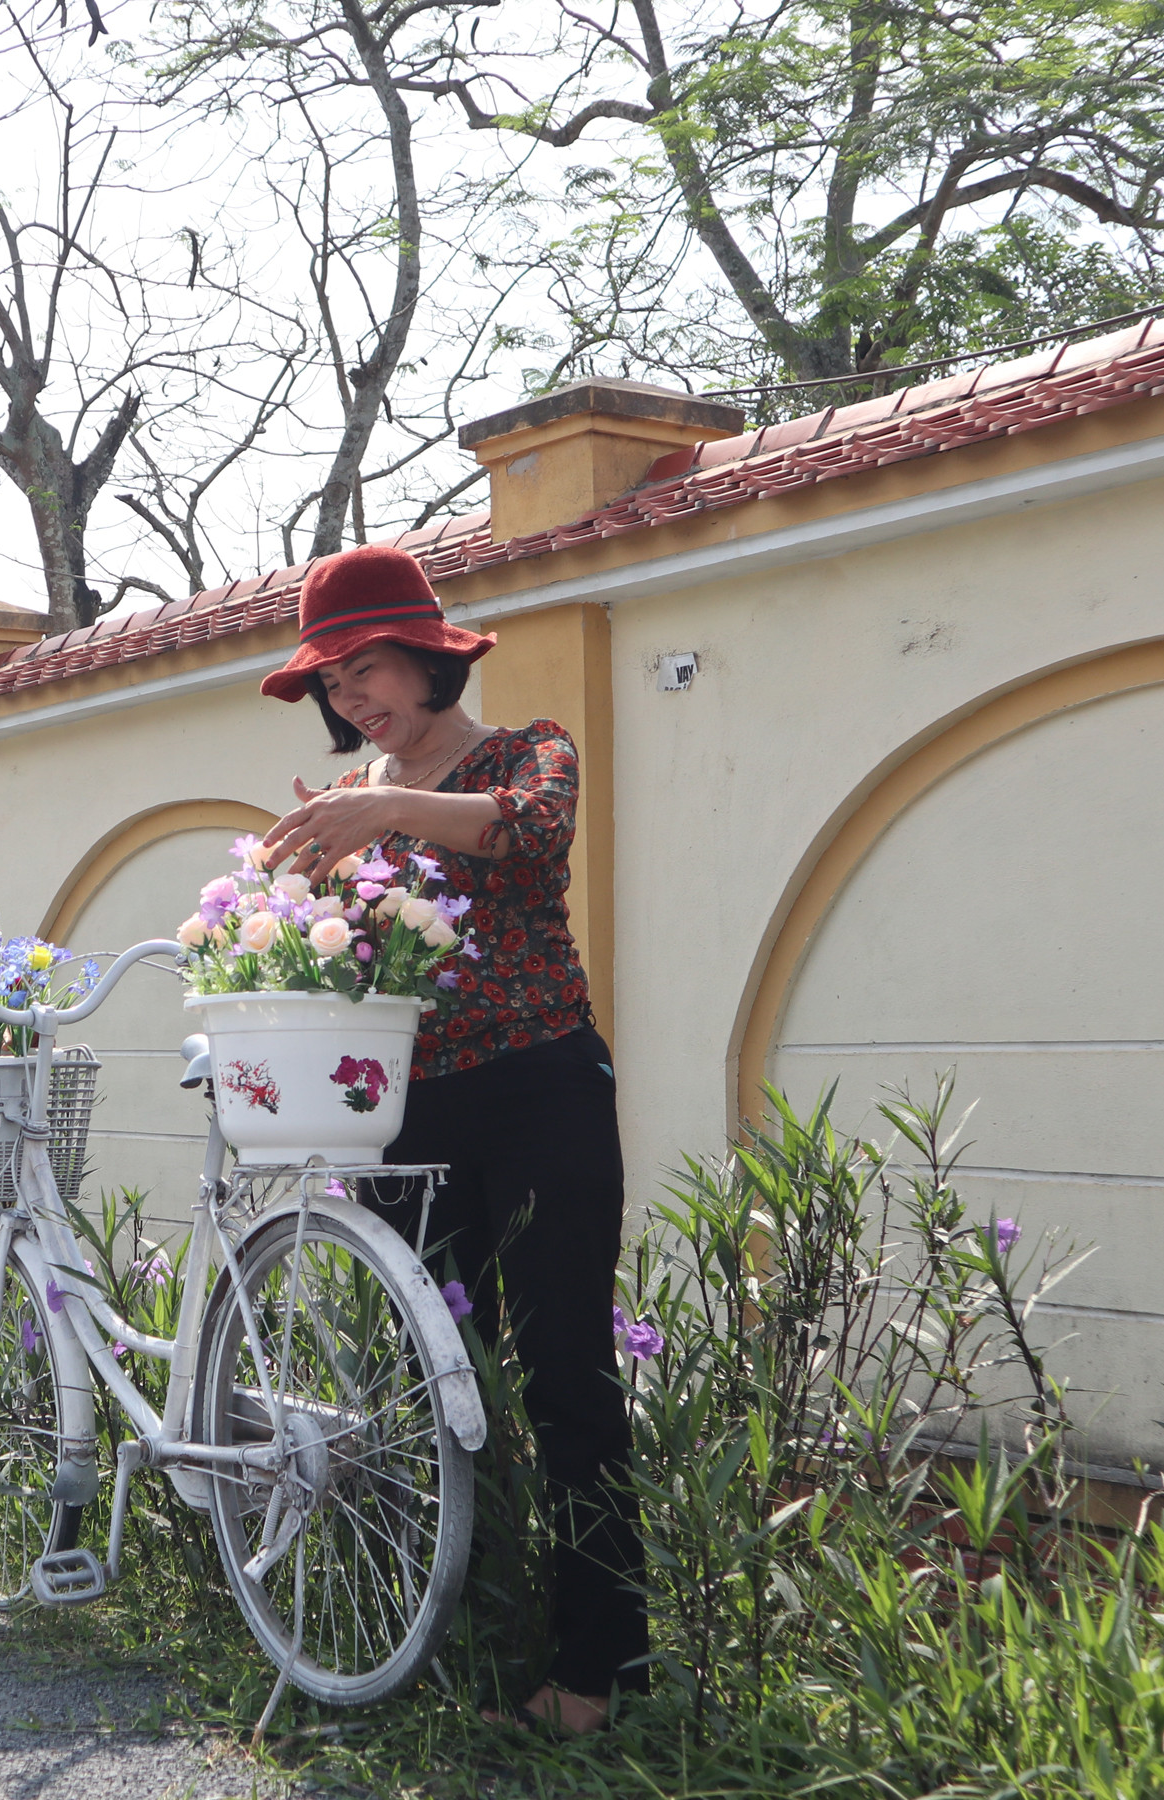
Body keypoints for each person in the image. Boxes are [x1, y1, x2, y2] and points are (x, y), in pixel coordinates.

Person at [256, 542, 649, 1735]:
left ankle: (600, 1674)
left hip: (540, 1091)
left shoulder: (528, 751)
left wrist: (384, 806)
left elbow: (527, 834)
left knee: (562, 1374)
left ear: (427, 656)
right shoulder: (350, 799)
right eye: (334, 682)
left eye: (366, 668)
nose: (352, 697)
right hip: (410, 1113)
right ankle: (456, 1638)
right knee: (428, 1384)